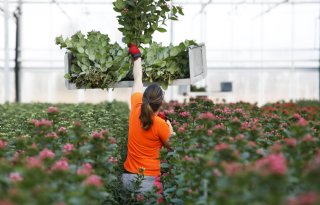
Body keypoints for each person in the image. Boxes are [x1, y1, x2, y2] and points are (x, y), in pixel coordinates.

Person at [121, 43, 175, 200]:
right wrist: (170, 129)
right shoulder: (160, 125)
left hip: (128, 179)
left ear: (144, 98)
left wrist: (136, 56)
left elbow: (138, 78)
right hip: (148, 183)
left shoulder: (136, 109)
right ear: (161, 104)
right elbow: (175, 148)